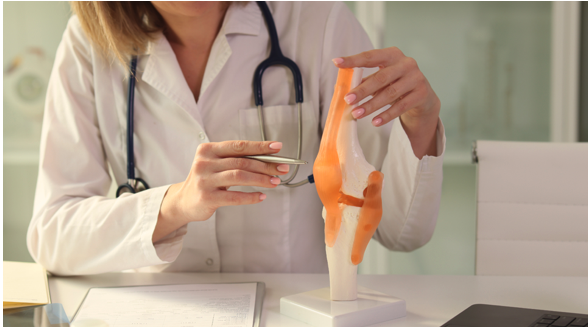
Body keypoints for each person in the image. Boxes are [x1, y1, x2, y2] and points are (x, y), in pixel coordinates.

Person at [27, 1, 445, 275]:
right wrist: (174, 205)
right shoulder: (88, 43)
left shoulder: (318, 23)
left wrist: (420, 122)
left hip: (291, 317)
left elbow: (400, 232)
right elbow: (52, 235)